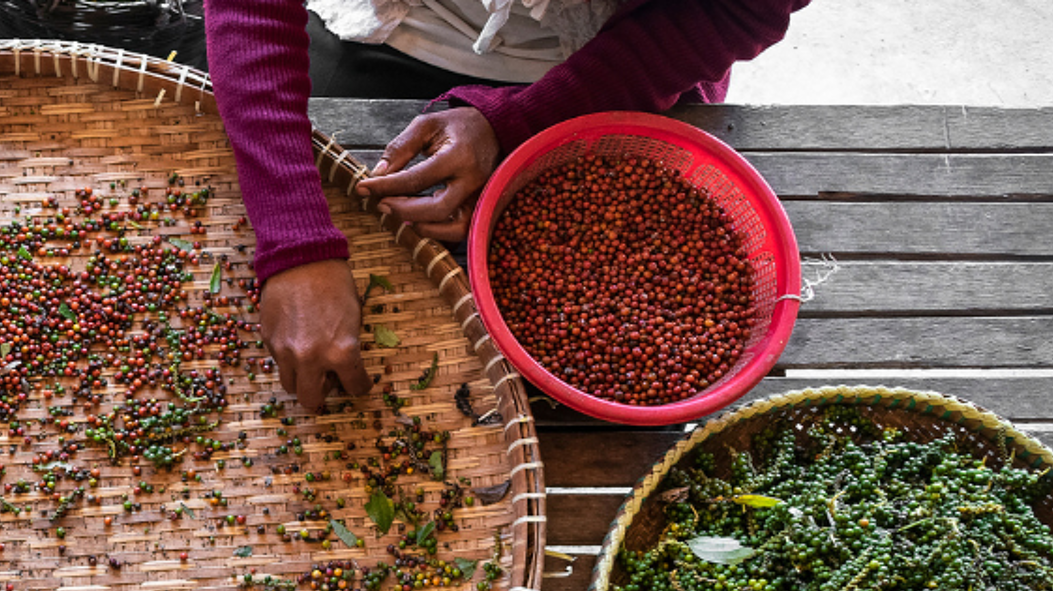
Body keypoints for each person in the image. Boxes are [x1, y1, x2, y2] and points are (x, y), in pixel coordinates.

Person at [204, 0, 811, 411]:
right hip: (401, 24)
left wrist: (520, 123)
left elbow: (732, 10)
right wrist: (293, 234)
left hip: (613, 62)